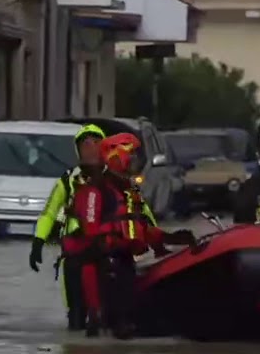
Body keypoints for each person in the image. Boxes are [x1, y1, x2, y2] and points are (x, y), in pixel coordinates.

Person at [69, 133, 196, 338]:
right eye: (132, 156)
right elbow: (91, 233)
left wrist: (172, 238)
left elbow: (140, 228)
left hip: (122, 261)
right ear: (117, 157)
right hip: (104, 266)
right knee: (114, 328)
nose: (135, 162)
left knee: (127, 326)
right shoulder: (95, 190)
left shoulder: (129, 192)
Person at [28, 123, 106, 330]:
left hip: (107, 250)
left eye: (96, 143)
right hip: (75, 252)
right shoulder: (67, 180)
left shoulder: (116, 178)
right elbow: (49, 213)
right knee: (76, 317)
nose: (91, 149)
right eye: (86, 144)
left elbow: (139, 210)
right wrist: (38, 242)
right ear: (78, 151)